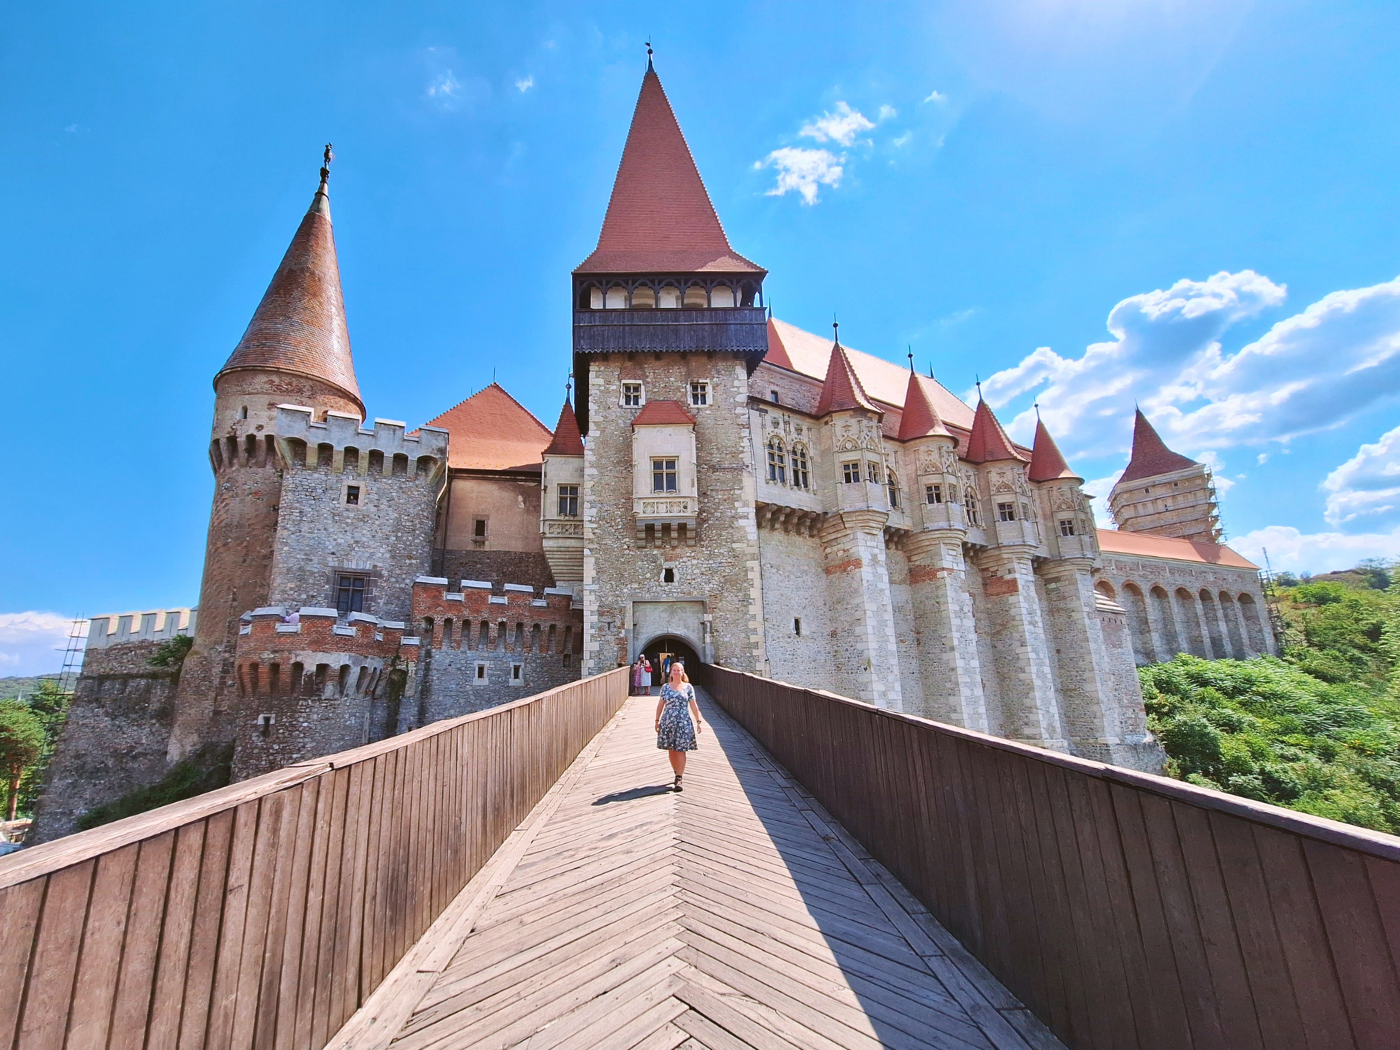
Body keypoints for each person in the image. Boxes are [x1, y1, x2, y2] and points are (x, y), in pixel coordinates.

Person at [654, 660, 701, 791]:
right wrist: (657, 721)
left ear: (682, 672)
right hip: (668, 721)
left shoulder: (688, 687)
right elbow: (660, 705)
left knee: (681, 749)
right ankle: (676, 772)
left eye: (679, 670)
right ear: (671, 672)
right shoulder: (665, 687)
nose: (676, 672)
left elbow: (693, 705)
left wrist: (698, 721)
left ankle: (679, 777)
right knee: (672, 749)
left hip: (683, 722)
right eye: (674, 670)